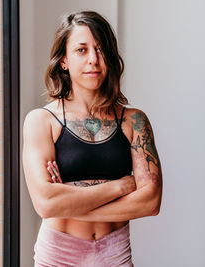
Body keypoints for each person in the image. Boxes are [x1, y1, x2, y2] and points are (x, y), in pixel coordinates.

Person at [23, 10, 162, 267]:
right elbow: (45, 203)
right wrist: (119, 187)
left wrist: (68, 199)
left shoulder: (135, 121)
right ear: (64, 60)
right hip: (58, 253)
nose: (93, 60)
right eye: (81, 50)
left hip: (115, 252)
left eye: (100, 50)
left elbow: (151, 201)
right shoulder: (41, 121)